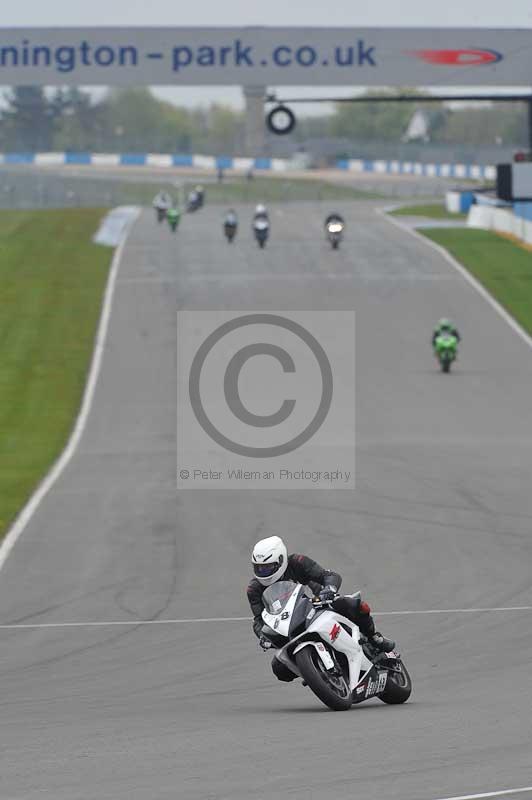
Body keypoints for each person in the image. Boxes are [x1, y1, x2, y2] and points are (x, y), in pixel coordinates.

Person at [247, 536, 395, 683]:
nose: (262, 571)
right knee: (279, 668)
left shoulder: (297, 562)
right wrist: (262, 635)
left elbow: (329, 576)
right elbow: (259, 619)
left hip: (315, 605)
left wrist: (329, 589)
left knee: (351, 604)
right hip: (287, 627)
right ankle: (315, 671)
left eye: (266, 567)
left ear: (281, 560)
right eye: (258, 567)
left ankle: (374, 638)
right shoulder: (254, 589)